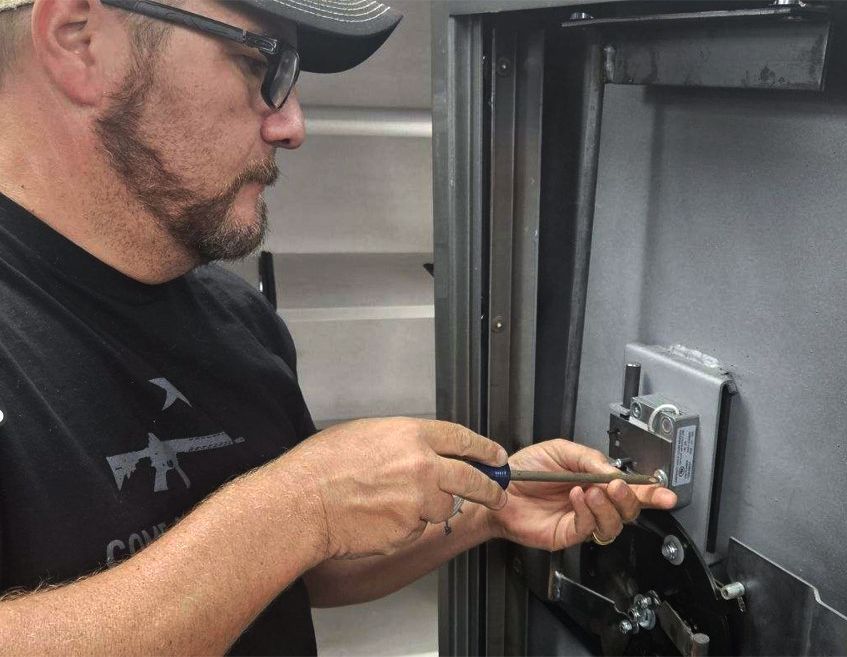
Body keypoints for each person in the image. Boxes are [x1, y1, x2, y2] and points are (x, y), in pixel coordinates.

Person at [0, 0, 677, 654]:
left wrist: (490, 504)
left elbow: (301, 568)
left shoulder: (238, 321)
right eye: (256, 62)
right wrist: (302, 506)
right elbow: (293, 526)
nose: (292, 124)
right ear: (78, 38)